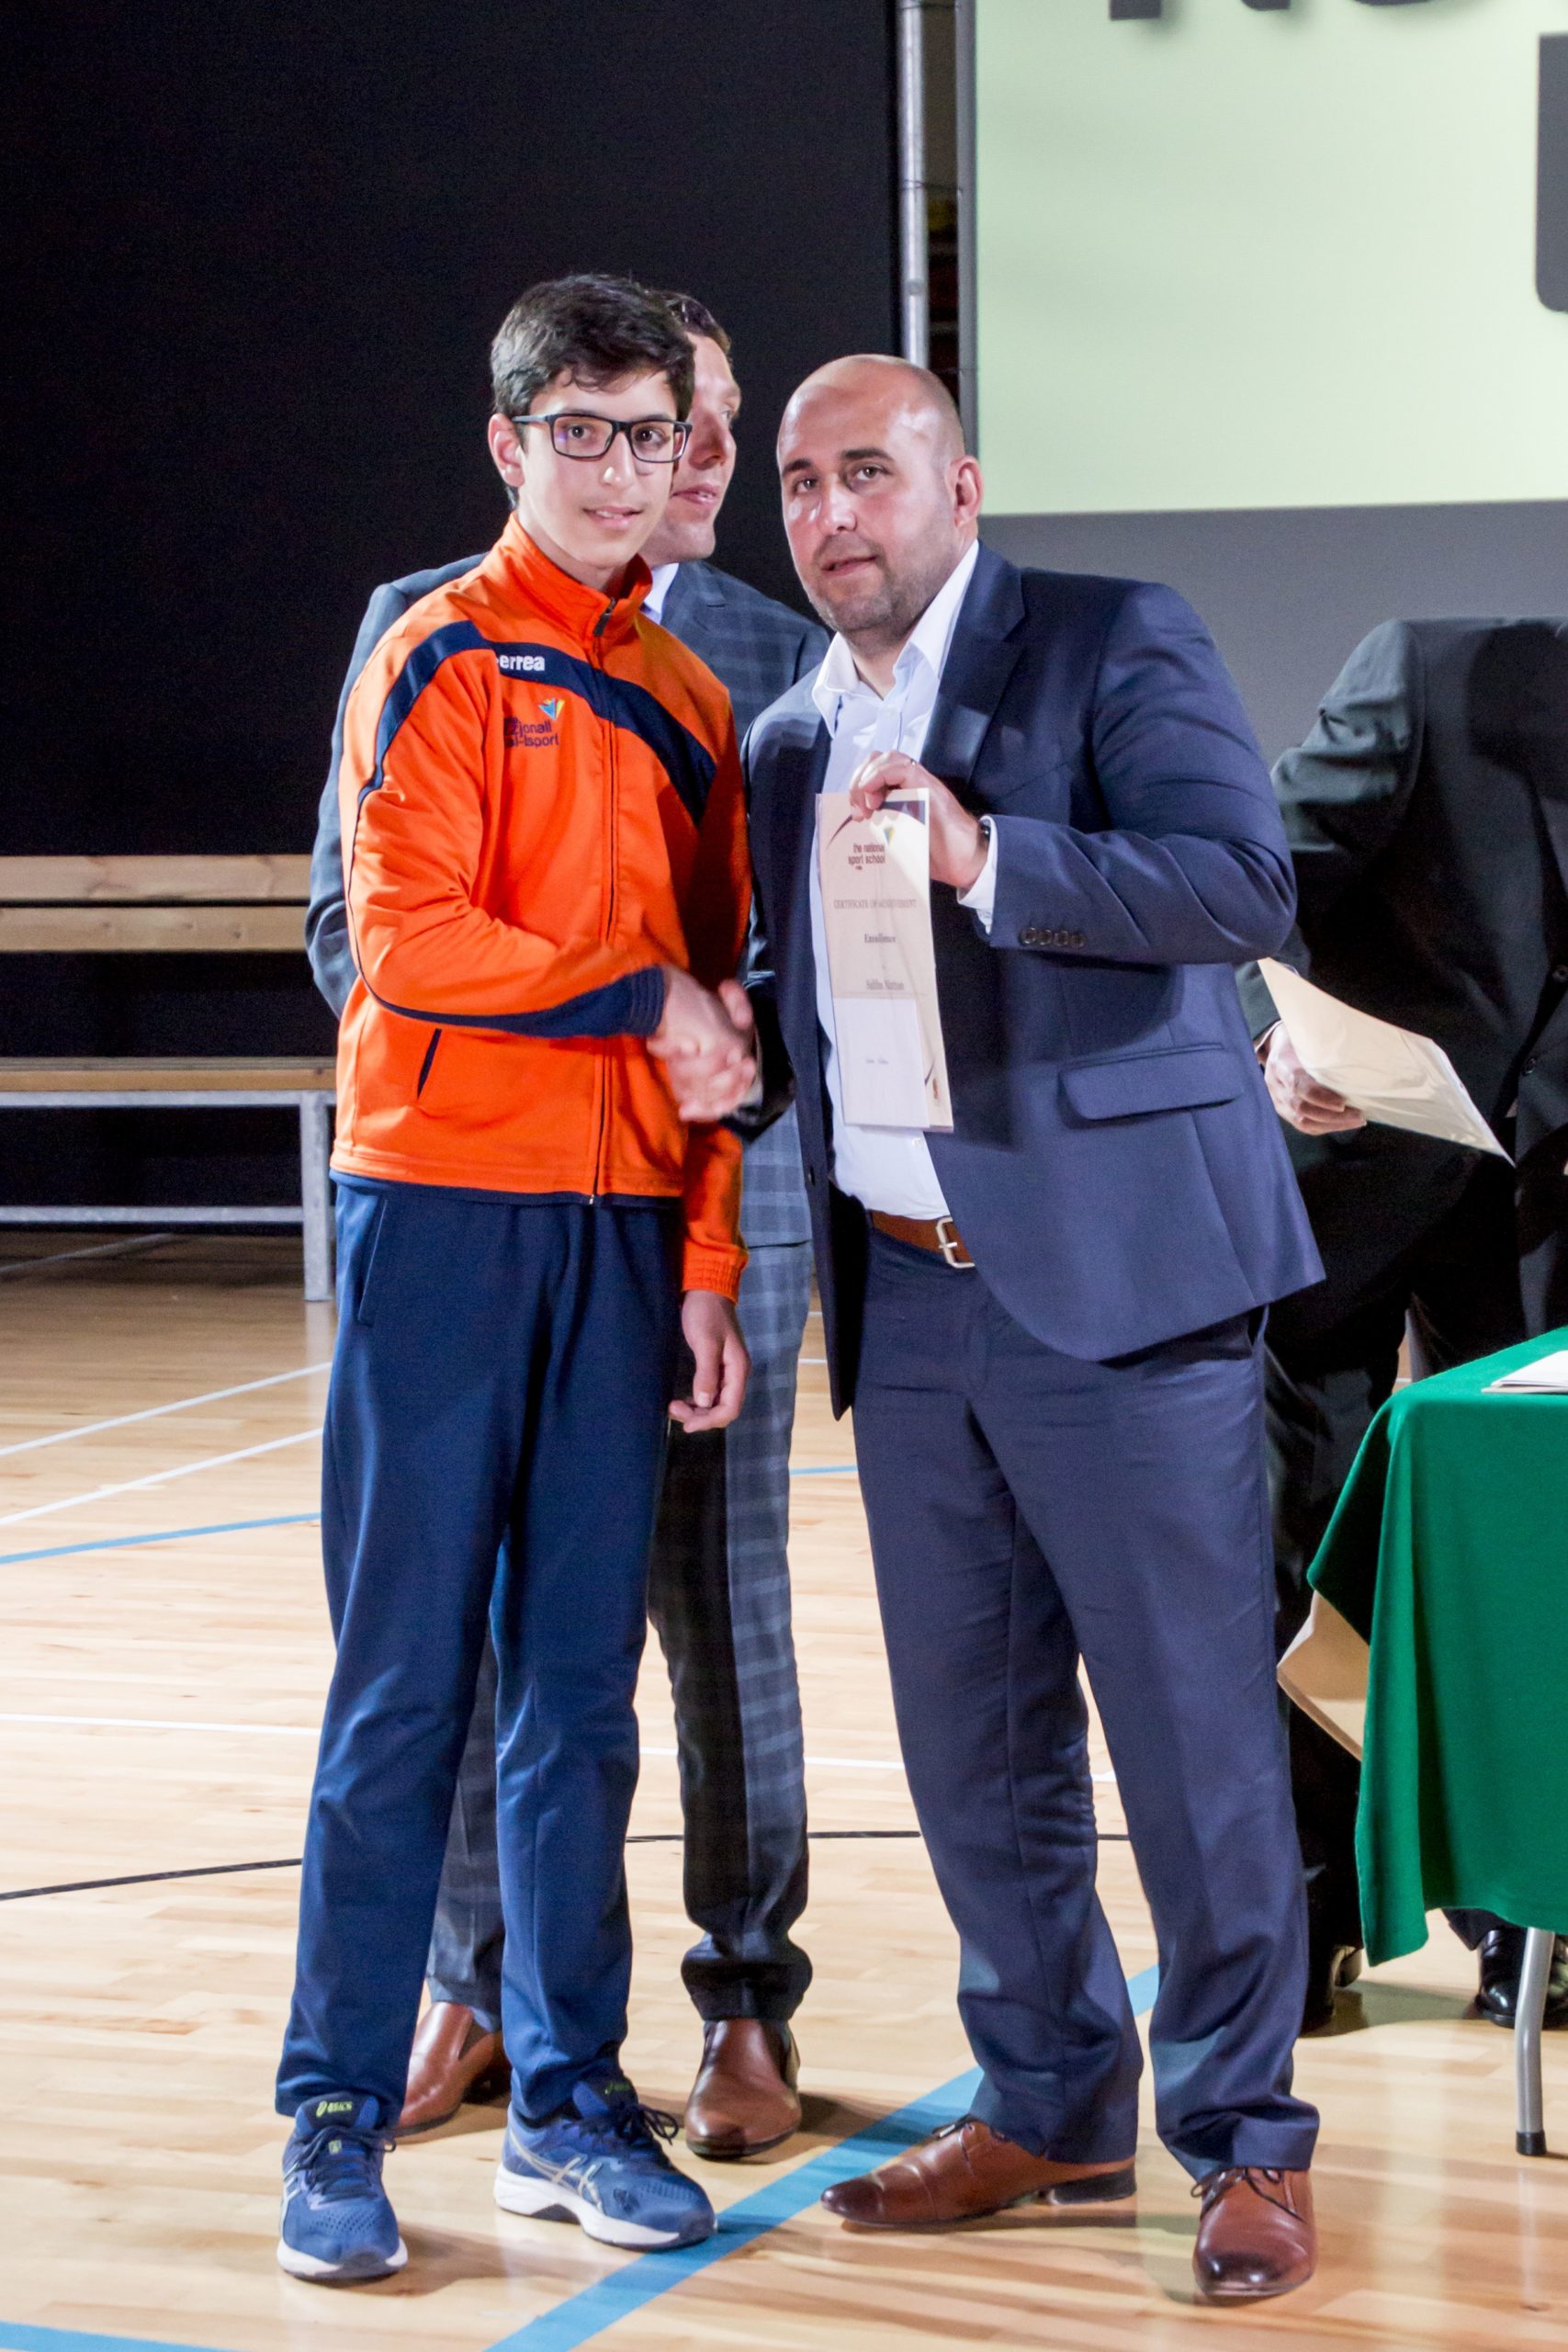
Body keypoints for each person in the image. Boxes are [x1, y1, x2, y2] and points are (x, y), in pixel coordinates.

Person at [742, 354, 1325, 2305]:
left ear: (961, 486)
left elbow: (1239, 883)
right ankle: (1055, 2100)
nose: (832, 513)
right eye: (799, 483)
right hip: (906, 1292)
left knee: (1187, 1745)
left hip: (1124, 1290)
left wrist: (990, 854)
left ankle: (1247, 2136)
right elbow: (812, 996)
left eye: (868, 472)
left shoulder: (1105, 639)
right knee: (972, 1749)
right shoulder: (787, 736)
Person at [305, 293, 827, 2160]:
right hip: (466, 1191)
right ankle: (474, 1983)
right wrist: (532, 1062)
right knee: (437, 1650)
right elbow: (361, 931)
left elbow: (762, 986)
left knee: (700, 1620)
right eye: (609, 429)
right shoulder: (424, 629)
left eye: (692, 429)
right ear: (527, 438)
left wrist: (705, 1176)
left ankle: (740, 1997)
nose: (672, 462)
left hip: (695, 1205)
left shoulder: (758, 659)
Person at [1243, 617, 1568, 2034]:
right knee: (1307, 1546)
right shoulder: (1432, 674)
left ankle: (1523, 1920)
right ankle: (1310, 1912)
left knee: (1519, 1565)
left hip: (1544, 1214)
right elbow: (1257, 879)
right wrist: (1278, 1039)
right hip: (1351, 1174)